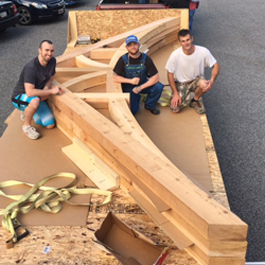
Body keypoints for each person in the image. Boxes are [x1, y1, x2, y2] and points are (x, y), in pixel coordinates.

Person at [11, 40, 64, 140]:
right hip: (20, 96)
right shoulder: (31, 68)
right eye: (46, 50)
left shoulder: (52, 61)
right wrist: (51, 91)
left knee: (50, 125)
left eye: (52, 51)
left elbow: (51, 77)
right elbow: (29, 92)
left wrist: (46, 87)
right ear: (39, 50)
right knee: (35, 101)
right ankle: (26, 126)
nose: (49, 53)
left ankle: (28, 110)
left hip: (36, 96)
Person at [165, 29, 220, 114]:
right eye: (183, 41)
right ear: (179, 42)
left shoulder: (203, 51)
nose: (186, 43)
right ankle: (184, 94)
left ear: (192, 39)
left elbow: (216, 65)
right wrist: (175, 93)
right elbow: (170, 74)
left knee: (205, 84)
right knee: (175, 109)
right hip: (182, 83)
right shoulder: (175, 55)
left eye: (188, 40)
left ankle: (195, 100)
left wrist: (212, 81)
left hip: (196, 80)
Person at [113, 35, 164, 115]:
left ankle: (150, 105)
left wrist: (140, 88)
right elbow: (115, 78)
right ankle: (136, 100)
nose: (133, 47)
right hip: (129, 87)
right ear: (126, 47)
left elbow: (156, 78)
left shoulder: (146, 58)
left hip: (142, 84)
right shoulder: (123, 59)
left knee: (158, 87)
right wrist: (130, 81)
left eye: (135, 44)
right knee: (133, 111)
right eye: (130, 45)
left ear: (139, 45)